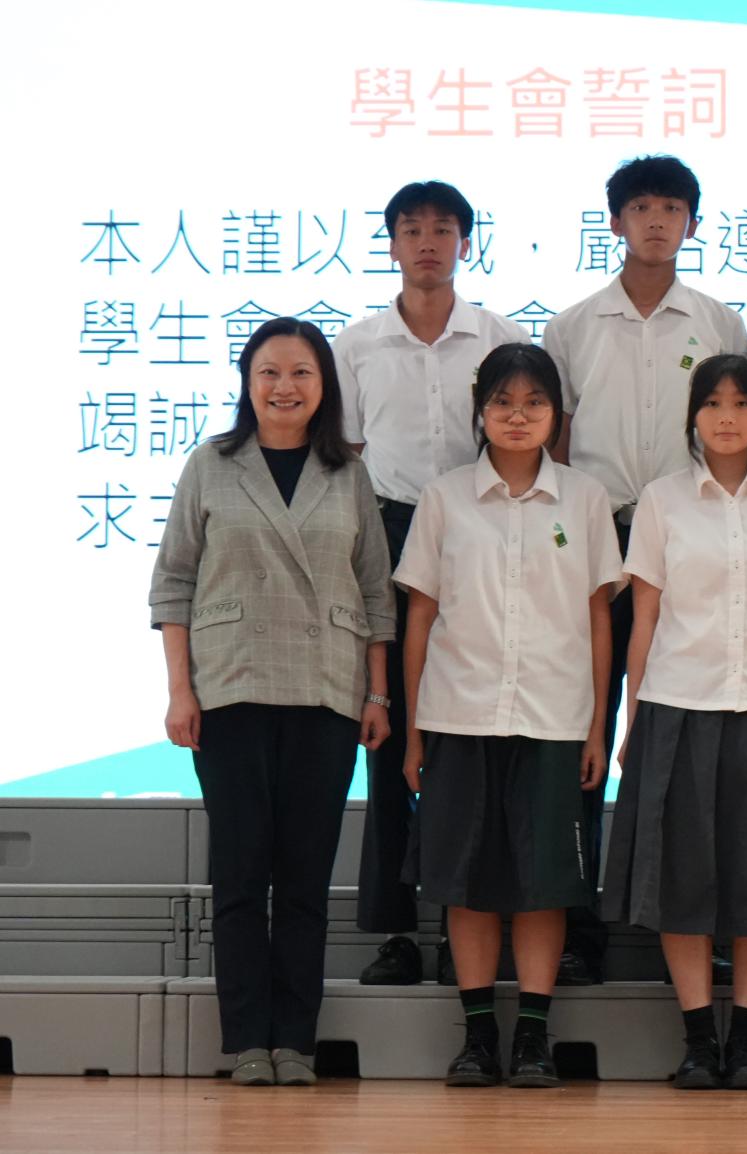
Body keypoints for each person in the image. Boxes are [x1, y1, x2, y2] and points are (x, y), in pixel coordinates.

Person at [150, 317, 395, 1086]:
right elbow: (173, 583)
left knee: (303, 879)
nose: (284, 387)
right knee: (238, 874)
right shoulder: (211, 464)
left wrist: (378, 692)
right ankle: (246, 1042)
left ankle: (295, 1040)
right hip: (230, 687)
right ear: (247, 383)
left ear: (324, 386)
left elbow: (376, 592)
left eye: (301, 373)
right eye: (269, 372)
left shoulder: (348, 472)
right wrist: (180, 690)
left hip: (327, 690)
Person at [603, 353, 747, 1090]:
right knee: (683, 880)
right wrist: (633, 719)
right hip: (679, 703)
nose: (726, 417)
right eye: (712, 403)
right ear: (693, 417)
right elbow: (644, 618)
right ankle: (698, 1040)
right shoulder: (662, 500)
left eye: (741, 403)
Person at [544, 154, 747, 983]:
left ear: (692, 224)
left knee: (688, 739)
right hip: (595, 542)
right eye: (640, 207)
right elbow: (556, 442)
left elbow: (735, 436)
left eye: (671, 208)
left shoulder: (720, 322)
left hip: (692, 548)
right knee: (582, 730)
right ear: (615, 221)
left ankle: (694, 922)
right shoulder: (572, 327)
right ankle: (578, 929)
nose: (656, 221)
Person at [396, 343, 622, 1087]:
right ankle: (476, 1037)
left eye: (534, 403)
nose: (517, 416)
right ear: (480, 411)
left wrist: (597, 727)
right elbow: (420, 616)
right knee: (466, 884)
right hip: (459, 714)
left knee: (543, 885)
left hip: (555, 718)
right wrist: (415, 731)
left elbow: (599, 619)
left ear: (558, 415)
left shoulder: (585, 499)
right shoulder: (445, 498)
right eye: (502, 402)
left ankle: (532, 1036)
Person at [333, 180, 530, 987]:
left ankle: (468, 927)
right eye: (411, 229)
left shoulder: (501, 337)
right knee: (390, 737)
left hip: (486, 533)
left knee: (475, 736)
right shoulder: (356, 346)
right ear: (390, 244)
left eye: (443, 230)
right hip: (386, 530)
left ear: (465, 244)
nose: (427, 243)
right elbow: (346, 453)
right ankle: (396, 931)